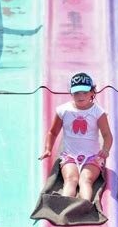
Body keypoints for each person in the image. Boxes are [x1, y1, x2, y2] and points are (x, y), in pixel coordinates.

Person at [39, 72, 113, 201]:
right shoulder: (64, 110)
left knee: (85, 180)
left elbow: (107, 135)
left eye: (84, 92)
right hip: (70, 156)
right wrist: (48, 149)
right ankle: (66, 205)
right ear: (71, 93)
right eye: (77, 93)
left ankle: (83, 205)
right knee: (70, 180)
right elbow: (53, 132)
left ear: (92, 92)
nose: (80, 96)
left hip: (92, 157)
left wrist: (106, 149)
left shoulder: (97, 112)